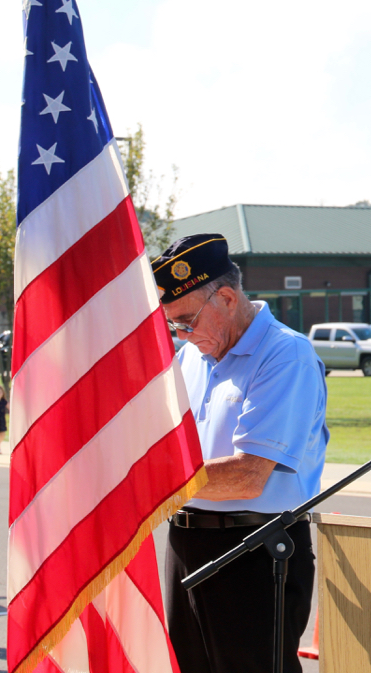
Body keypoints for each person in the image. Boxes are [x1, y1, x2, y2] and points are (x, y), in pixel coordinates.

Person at [153, 234, 329, 673]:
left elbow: (249, 476)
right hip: (185, 540)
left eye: (187, 321)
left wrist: (148, 482)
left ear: (228, 298)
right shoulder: (190, 358)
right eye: (173, 325)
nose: (182, 335)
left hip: (254, 551)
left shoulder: (285, 355)